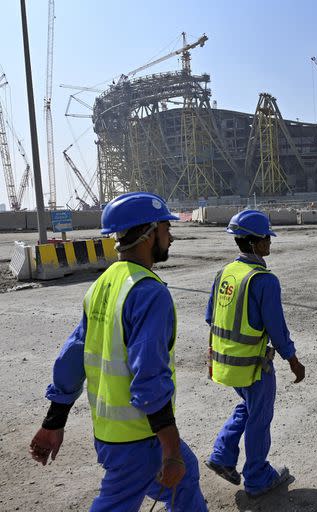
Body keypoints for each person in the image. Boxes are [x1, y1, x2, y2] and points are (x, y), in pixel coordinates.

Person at [28, 192, 207, 511]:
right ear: (149, 233)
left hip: (111, 434)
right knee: (122, 500)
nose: (171, 237)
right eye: (166, 229)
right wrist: (170, 449)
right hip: (139, 439)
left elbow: (73, 357)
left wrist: (54, 420)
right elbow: (149, 377)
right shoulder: (150, 293)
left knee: (186, 480)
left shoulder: (102, 284)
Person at [204, 210, 305, 498]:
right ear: (252, 243)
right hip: (253, 366)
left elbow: (211, 316)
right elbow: (277, 328)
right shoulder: (264, 281)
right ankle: (258, 478)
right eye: (265, 238)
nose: (269, 243)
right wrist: (293, 361)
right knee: (260, 417)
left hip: (225, 363)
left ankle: (222, 455)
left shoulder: (224, 273)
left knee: (248, 407)